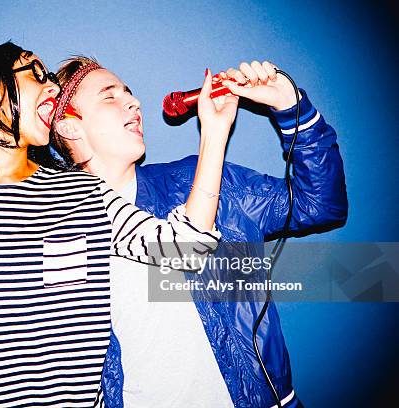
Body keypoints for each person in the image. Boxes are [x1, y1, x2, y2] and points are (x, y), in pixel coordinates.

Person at [0, 29, 237, 407]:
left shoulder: (82, 191)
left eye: (50, 76)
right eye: (34, 73)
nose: (50, 85)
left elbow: (187, 249)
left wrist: (213, 132)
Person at [51, 56, 348, 407]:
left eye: (129, 92)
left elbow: (320, 205)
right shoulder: (59, 231)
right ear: (70, 126)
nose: (133, 101)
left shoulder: (198, 180)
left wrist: (290, 106)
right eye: (108, 95)